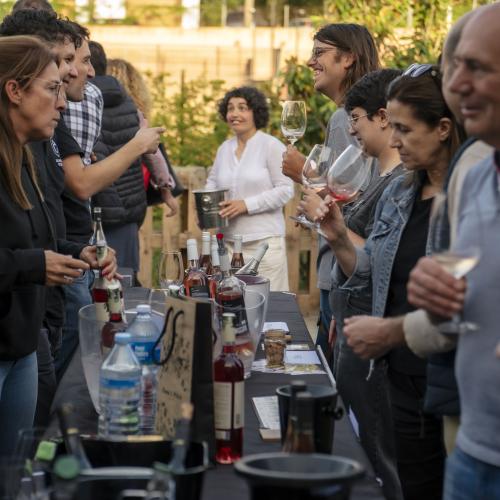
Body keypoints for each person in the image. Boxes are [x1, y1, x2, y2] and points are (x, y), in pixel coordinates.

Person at [317, 66, 462, 499]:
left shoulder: (473, 198)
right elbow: (369, 271)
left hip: (454, 382)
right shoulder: (401, 194)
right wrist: (339, 235)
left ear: (442, 128)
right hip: (399, 376)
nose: (394, 141)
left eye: (403, 129)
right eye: (391, 128)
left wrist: (390, 331)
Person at [405, 4, 500, 498]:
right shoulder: (477, 174)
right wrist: (437, 303)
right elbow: (467, 306)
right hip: (472, 453)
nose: (456, 85)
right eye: (454, 66)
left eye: (478, 68)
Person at [300, 68, 405, 500]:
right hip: (352, 327)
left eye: (356, 118)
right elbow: (357, 263)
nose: (352, 129)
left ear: (383, 117)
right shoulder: (378, 179)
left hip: (372, 341)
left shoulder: (399, 185)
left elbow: (381, 261)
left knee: (380, 459)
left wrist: (336, 228)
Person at [0, 35, 90, 456]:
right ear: (14, 91)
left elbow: (34, 240)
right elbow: (26, 257)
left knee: (17, 474)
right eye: (52, 88)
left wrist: (74, 254)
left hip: (22, 348)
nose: (63, 103)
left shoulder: (27, 156)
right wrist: (33, 266)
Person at [282, 23, 379, 359]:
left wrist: (302, 174)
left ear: (348, 58)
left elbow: (350, 197)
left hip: (341, 268)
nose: (311, 62)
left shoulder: (343, 119)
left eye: (319, 53)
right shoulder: (350, 117)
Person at [206, 86, 293, 290]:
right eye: (230, 108)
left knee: (269, 309)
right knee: (229, 307)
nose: (235, 114)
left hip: (264, 246)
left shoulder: (271, 146)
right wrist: (205, 206)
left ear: (256, 112)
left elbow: (285, 189)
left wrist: (246, 204)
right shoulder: (224, 149)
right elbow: (212, 183)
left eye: (242, 108)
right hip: (227, 246)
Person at [105, 56, 179, 218]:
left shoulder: (92, 108)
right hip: (130, 200)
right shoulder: (134, 115)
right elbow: (154, 157)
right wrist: (166, 191)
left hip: (98, 197)